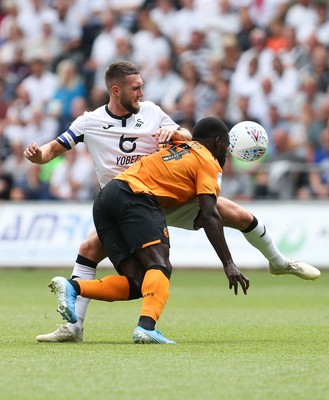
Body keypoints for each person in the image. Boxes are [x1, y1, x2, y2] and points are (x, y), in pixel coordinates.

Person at [24, 61, 320, 343]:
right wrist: (40, 156)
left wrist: (174, 131)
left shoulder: (151, 112)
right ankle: (74, 327)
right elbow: (52, 149)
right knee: (92, 251)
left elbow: (191, 137)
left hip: (166, 194)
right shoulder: (89, 122)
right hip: (130, 201)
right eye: (135, 88)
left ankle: (279, 262)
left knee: (239, 216)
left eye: (142, 86)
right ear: (116, 90)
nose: (141, 93)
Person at [49, 116, 250, 344]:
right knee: (160, 264)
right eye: (226, 148)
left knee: (140, 282)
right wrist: (228, 263)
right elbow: (210, 214)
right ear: (217, 142)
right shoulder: (207, 160)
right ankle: (146, 327)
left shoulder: (179, 146)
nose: (226, 155)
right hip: (136, 196)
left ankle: (72, 286)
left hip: (106, 198)